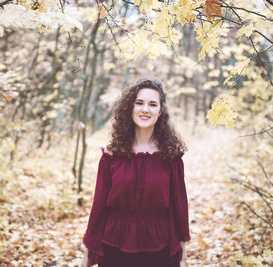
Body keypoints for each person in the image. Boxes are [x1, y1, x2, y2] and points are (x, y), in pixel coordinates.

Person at [80, 78, 190, 267]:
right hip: (114, 244)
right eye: (139, 102)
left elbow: (178, 206)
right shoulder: (111, 155)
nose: (145, 109)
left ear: (160, 111)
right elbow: (99, 206)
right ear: (130, 107)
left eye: (152, 104)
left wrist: (181, 249)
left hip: (159, 246)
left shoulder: (171, 157)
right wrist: (89, 250)